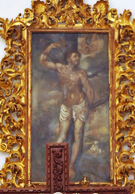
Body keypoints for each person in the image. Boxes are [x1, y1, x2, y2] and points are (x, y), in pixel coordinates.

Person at [39, 39, 94, 180]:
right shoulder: (60, 68)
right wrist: (50, 46)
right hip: (66, 105)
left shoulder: (81, 73)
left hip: (80, 104)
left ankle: (71, 166)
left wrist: (91, 107)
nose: (78, 59)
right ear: (69, 58)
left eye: (79, 57)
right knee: (62, 135)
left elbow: (88, 90)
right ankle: (55, 166)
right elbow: (43, 61)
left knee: (78, 134)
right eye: (76, 56)